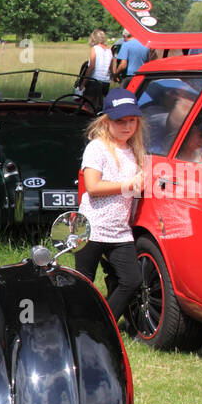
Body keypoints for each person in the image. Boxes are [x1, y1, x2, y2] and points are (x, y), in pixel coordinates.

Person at [75, 89, 146, 324]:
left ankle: (105, 324)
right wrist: (127, 186)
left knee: (132, 280)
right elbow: (92, 186)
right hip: (92, 227)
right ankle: (78, 326)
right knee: (83, 282)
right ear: (106, 121)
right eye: (120, 121)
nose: (127, 126)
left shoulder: (134, 151)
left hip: (119, 231)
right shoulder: (97, 148)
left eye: (132, 121)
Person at [84, 29, 113, 110]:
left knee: (89, 106)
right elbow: (110, 68)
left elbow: (91, 66)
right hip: (106, 82)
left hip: (94, 81)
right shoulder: (109, 50)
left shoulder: (95, 48)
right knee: (101, 105)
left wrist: (84, 82)